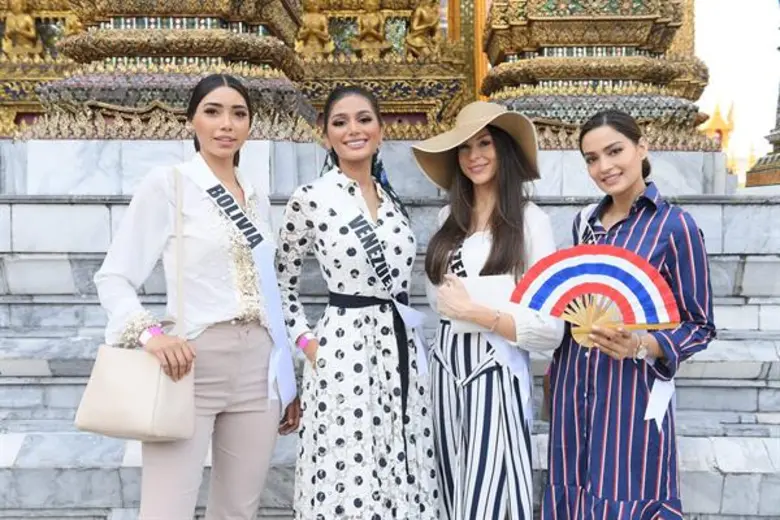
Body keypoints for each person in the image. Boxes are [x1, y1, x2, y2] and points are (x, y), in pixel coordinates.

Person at [94, 73, 301, 520]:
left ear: (249, 125)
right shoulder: (169, 184)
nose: (226, 124)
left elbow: (272, 292)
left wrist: (286, 377)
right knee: (166, 510)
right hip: (190, 364)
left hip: (258, 370)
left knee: (238, 511)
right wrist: (151, 335)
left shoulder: (256, 195)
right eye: (213, 111)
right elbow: (113, 277)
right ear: (192, 120)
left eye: (238, 114)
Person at [542, 110, 716, 518]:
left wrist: (642, 343)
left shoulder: (675, 227)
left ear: (642, 147)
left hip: (631, 392)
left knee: (625, 493)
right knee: (571, 489)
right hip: (573, 384)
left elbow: (699, 325)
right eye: (591, 158)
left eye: (614, 151)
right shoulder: (584, 224)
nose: (604, 166)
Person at [276, 85, 439, 520]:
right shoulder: (311, 198)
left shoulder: (392, 202)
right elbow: (282, 285)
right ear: (326, 135)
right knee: (349, 470)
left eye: (364, 119)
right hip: (343, 351)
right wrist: (307, 344)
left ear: (381, 130)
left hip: (400, 349)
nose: (354, 129)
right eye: (340, 122)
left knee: (403, 461)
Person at [412, 100, 564, 519]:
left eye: (484, 144)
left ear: (504, 150)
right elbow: (438, 302)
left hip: (495, 370)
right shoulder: (448, 219)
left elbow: (551, 329)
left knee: (490, 495)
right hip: (445, 373)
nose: (474, 156)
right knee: (450, 489)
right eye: (464, 147)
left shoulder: (530, 221)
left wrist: (480, 313)